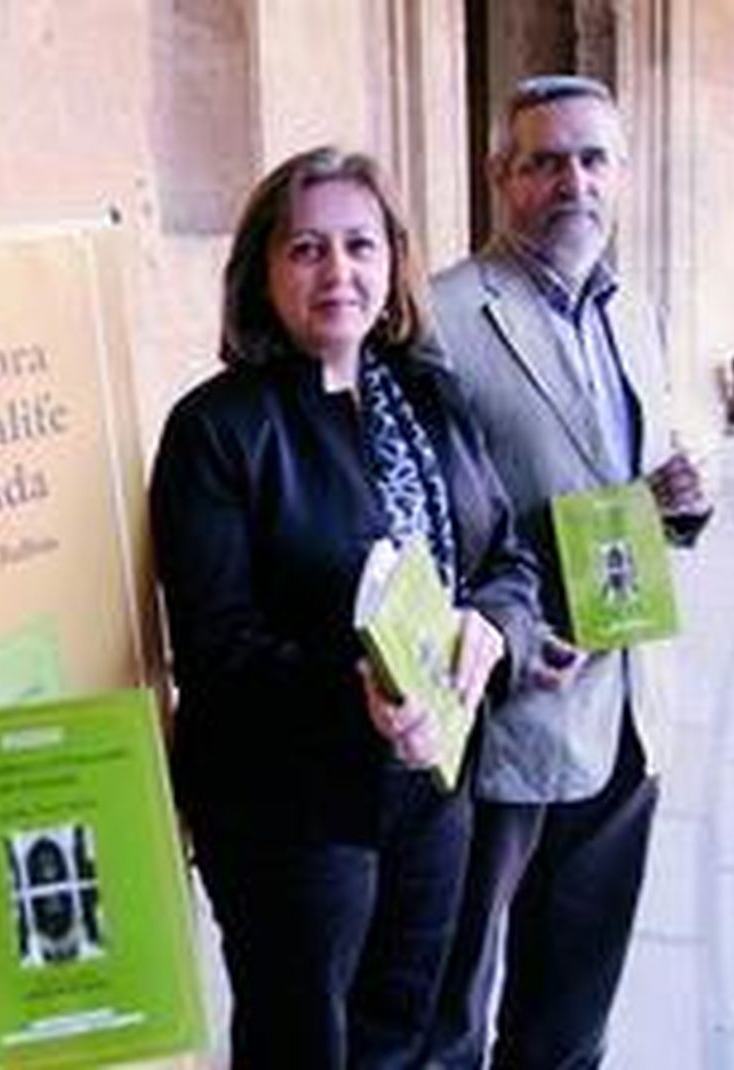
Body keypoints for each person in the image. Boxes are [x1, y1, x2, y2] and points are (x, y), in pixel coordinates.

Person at [149, 146, 541, 1068]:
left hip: (432, 788)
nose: (338, 271)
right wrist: (356, 689)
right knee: (302, 1043)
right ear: (263, 271)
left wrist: (493, 627)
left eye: (360, 245)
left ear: (393, 260)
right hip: (291, 812)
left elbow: (507, 560)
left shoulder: (433, 397)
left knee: (404, 1028)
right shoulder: (216, 429)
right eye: (306, 249)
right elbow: (215, 647)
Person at [424, 76, 713, 1069]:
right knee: (452, 996)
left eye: (593, 160)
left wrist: (681, 498)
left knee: (573, 1001)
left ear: (620, 174)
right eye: (544, 161)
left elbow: (631, 479)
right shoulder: (442, 316)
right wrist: (495, 625)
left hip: (630, 699)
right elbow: (418, 519)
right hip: (511, 706)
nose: (572, 182)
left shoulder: (634, 311)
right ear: (500, 177)